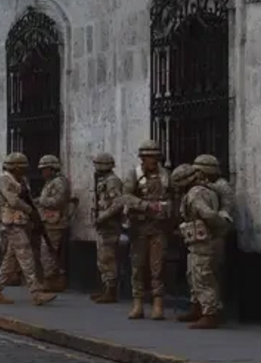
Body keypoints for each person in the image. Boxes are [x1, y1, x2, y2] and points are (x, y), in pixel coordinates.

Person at [0, 153, 57, 306]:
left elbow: (28, 199)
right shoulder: (5, 180)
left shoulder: (22, 180)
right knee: (26, 256)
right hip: (11, 223)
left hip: (21, 222)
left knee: (11, 259)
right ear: (15, 167)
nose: (25, 170)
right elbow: (13, 201)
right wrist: (29, 210)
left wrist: (35, 215)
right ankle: (36, 292)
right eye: (22, 167)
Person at [173, 163, 230, 329]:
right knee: (193, 275)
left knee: (203, 277)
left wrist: (219, 226)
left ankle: (210, 314)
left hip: (203, 243)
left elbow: (208, 214)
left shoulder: (196, 193)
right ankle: (198, 307)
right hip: (197, 243)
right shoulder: (202, 191)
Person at [122, 139, 172, 320]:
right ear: (142, 158)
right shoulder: (134, 175)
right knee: (138, 266)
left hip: (159, 227)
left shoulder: (166, 175)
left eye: (156, 157)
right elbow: (125, 197)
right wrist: (144, 205)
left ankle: (158, 303)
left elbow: (173, 196)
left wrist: (167, 209)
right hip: (139, 227)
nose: (153, 160)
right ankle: (138, 303)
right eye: (150, 157)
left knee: (157, 266)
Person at [36, 154, 72, 292]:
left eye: (45, 169)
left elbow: (58, 201)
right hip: (49, 222)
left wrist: (41, 201)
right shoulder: (50, 182)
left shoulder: (59, 182)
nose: (42, 173)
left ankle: (50, 280)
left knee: (48, 252)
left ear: (52, 169)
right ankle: (52, 279)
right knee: (47, 251)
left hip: (56, 223)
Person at [91, 152, 124, 303]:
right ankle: (106, 287)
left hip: (110, 225)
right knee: (102, 258)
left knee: (108, 257)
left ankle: (111, 290)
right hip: (104, 225)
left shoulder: (112, 181)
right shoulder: (103, 180)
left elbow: (118, 203)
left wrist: (102, 217)